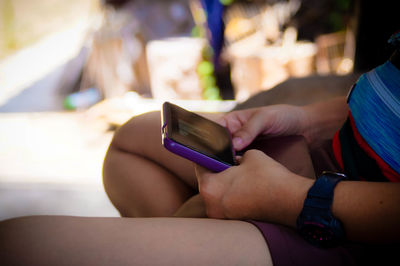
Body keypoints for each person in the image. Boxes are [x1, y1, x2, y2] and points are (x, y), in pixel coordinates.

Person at [1, 33, 399, 266]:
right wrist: (304, 120)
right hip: (341, 160)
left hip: (358, 222)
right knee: (133, 139)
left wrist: (286, 200)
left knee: (21, 245)